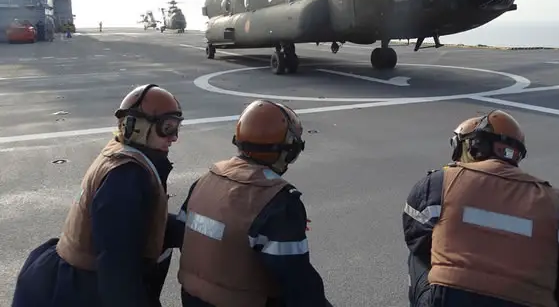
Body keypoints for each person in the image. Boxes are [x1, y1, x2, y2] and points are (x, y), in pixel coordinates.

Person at [12, 84, 186, 307]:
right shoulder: (127, 177)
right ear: (136, 126)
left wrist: (189, 230)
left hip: (67, 277)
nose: (174, 138)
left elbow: (139, 221)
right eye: (167, 127)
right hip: (80, 290)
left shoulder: (122, 154)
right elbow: (117, 271)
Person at [402, 109, 559, 307]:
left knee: (418, 255)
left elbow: (414, 235)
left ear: (474, 147)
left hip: (449, 300)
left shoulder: (438, 184)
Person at [177, 99, 332, 307]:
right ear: (289, 150)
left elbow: (183, 235)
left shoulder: (205, 180)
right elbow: (298, 283)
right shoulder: (279, 201)